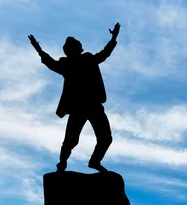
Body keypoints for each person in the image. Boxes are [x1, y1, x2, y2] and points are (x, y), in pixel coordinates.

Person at [28, 22, 120, 172]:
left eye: (76, 47)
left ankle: (94, 161)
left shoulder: (88, 59)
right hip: (77, 108)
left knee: (105, 138)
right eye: (71, 49)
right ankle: (62, 162)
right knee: (70, 140)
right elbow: (50, 62)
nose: (74, 50)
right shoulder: (66, 64)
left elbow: (104, 54)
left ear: (79, 49)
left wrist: (114, 38)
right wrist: (38, 49)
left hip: (94, 105)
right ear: (67, 51)